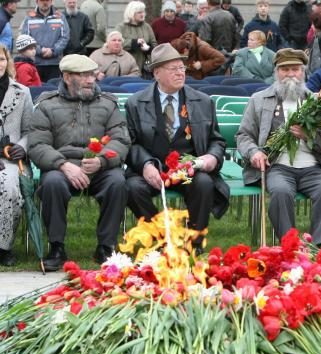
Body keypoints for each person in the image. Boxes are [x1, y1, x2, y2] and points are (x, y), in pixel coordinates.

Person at [28, 54, 130, 270]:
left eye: (92, 75)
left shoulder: (107, 104)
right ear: (66, 77)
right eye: (83, 75)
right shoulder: (47, 105)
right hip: (62, 166)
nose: (91, 80)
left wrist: (102, 161)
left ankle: (106, 246)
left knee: (117, 182)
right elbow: (37, 145)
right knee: (52, 183)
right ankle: (56, 247)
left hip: (99, 166)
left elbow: (121, 139)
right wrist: (63, 165)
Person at [125, 44, 229, 254]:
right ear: (156, 73)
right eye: (173, 68)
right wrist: (145, 165)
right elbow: (130, 143)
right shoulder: (136, 103)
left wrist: (211, 158)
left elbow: (216, 141)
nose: (180, 72)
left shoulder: (203, 102)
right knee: (132, 188)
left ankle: (195, 242)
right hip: (153, 170)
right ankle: (163, 238)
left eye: (182, 67)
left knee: (203, 183)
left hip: (186, 170)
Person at [236, 48, 321, 246]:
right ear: (276, 72)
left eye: (295, 69)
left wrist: (307, 136)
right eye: (285, 69)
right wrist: (254, 152)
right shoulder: (259, 100)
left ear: (303, 72)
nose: (290, 74)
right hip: (277, 167)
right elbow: (244, 135)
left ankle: (318, 247)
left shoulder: (318, 102)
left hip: (313, 167)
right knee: (281, 192)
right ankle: (290, 246)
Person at [0, 44, 34, 267]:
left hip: (11, 158)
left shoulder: (22, 92)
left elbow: (31, 130)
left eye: (1, 59)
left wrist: (23, 146)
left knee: (8, 184)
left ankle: (3, 247)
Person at [19, 0, 70, 82]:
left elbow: (65, 37)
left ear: (51, 1)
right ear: (37, 1)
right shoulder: (29, 18)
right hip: (35, 63)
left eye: (47, 0)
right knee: (37, 91)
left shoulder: (60, 17)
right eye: (42, 0)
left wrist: (53, 51)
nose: (45, 3)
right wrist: (39, 50)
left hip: (54, 63)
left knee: (53, 91)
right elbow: (26, 38)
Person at [116, 1, 157, 77]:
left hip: (145, 67)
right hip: (126, 66)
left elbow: (154, 44)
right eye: (139, 12)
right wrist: (135, 42)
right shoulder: (121, 27)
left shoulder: (147, 26)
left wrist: (148, 48)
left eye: (143, 12)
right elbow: (116, 44)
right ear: (131, 13)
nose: (143, 14)